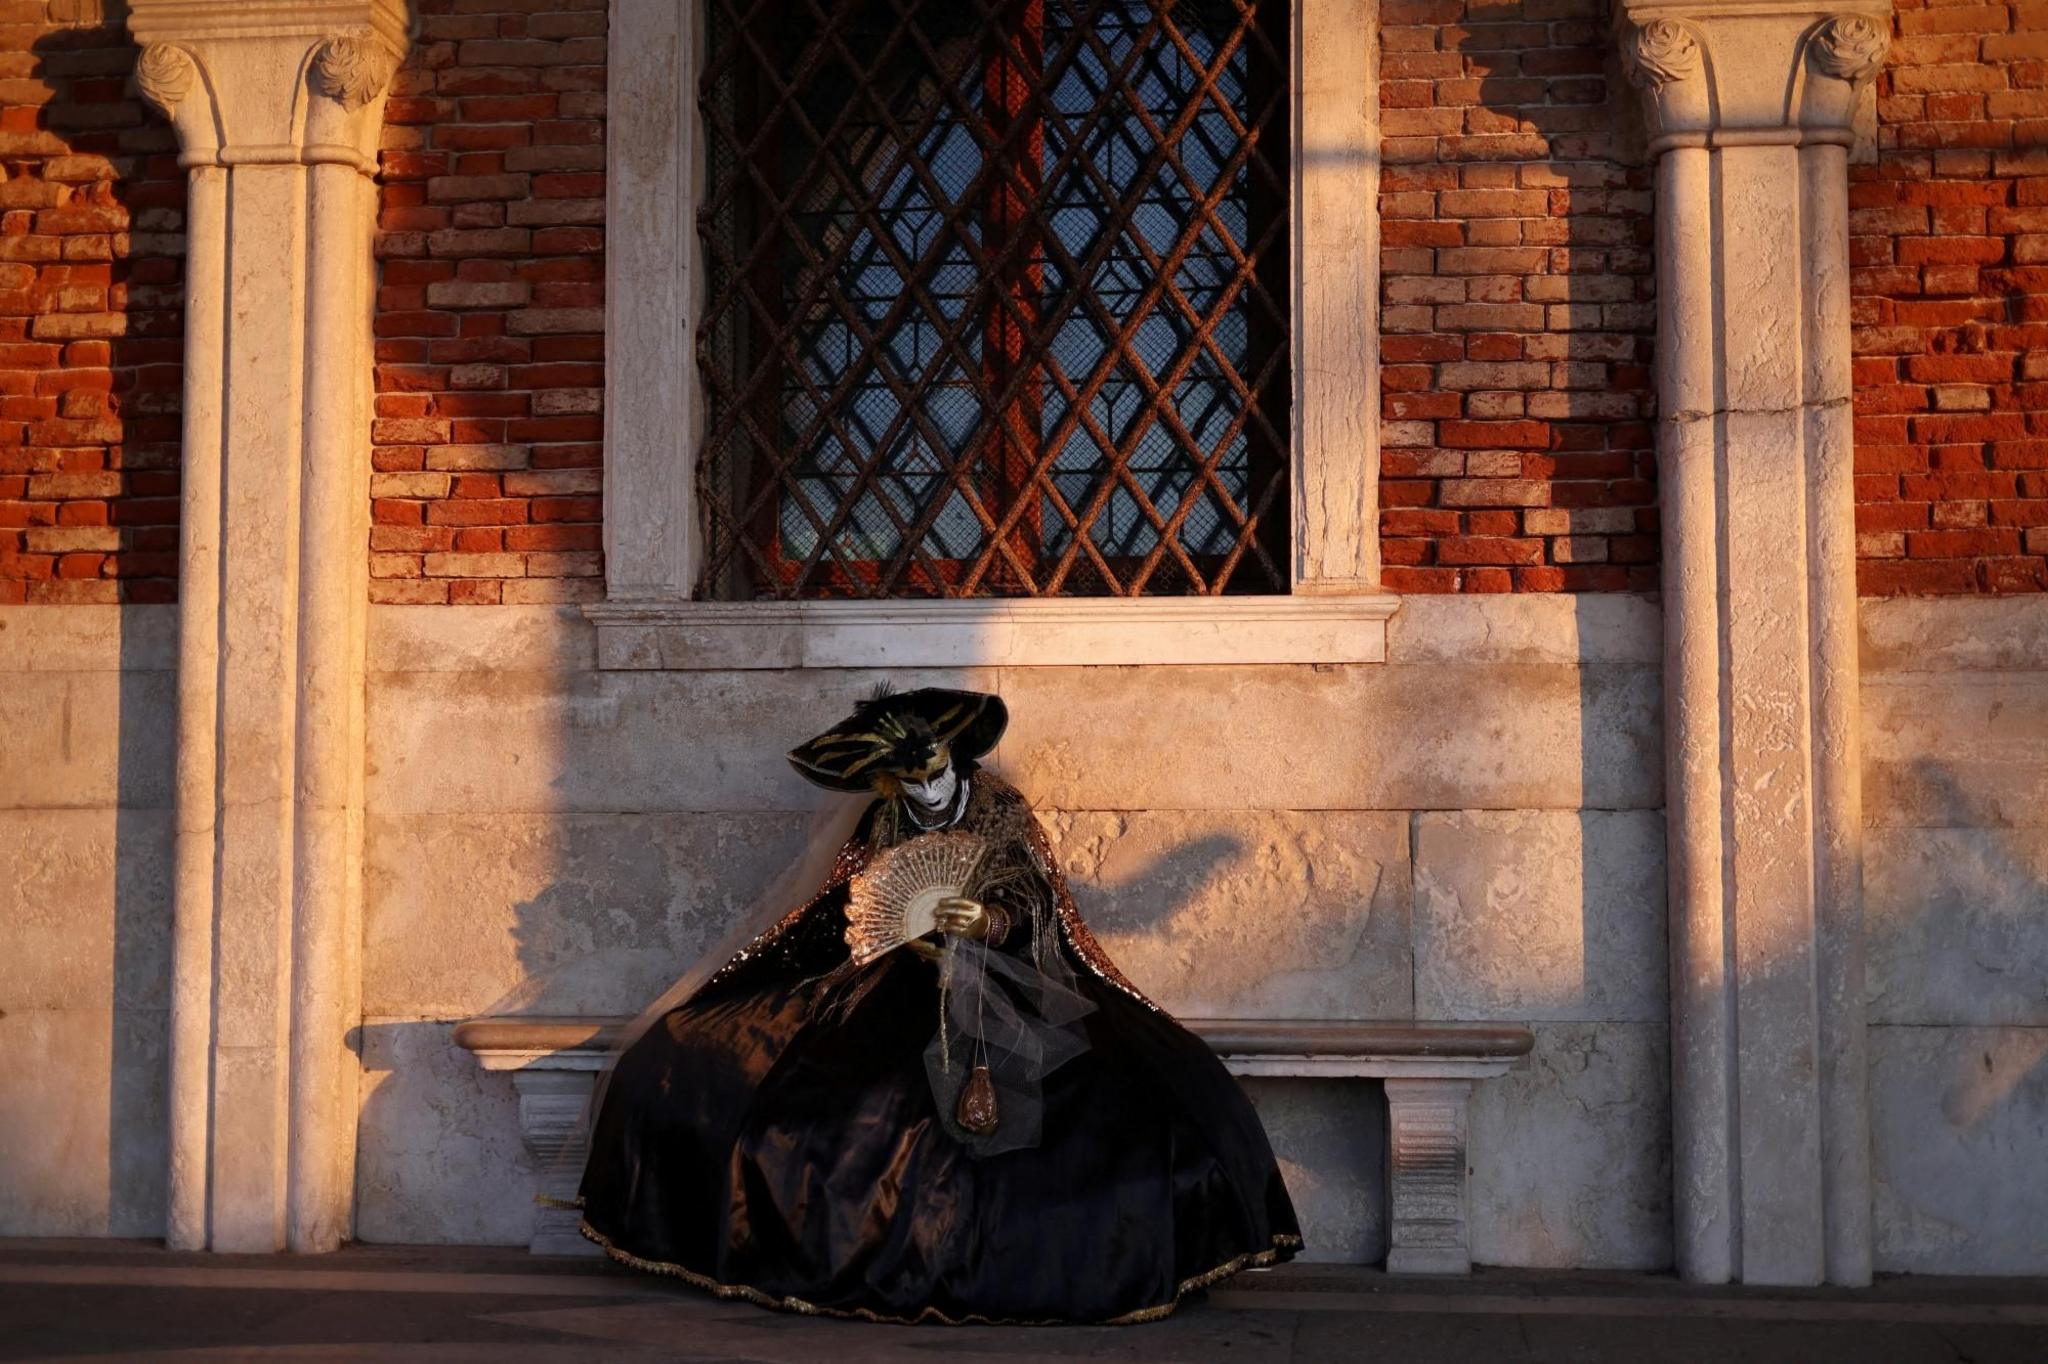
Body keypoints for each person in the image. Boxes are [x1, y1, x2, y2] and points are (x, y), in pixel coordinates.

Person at [573, 686, 1300, 1323]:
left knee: (1098, 1108)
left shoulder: (1000, 810)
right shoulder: (881, 823)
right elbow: (846, 909)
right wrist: (883, 931)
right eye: (908, 783)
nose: (926, 795)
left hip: (1007, 981)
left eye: (935, 776)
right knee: (787, 1090)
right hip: (891, 980)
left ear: (955, 761)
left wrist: (987, 921)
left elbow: (1039, 902)